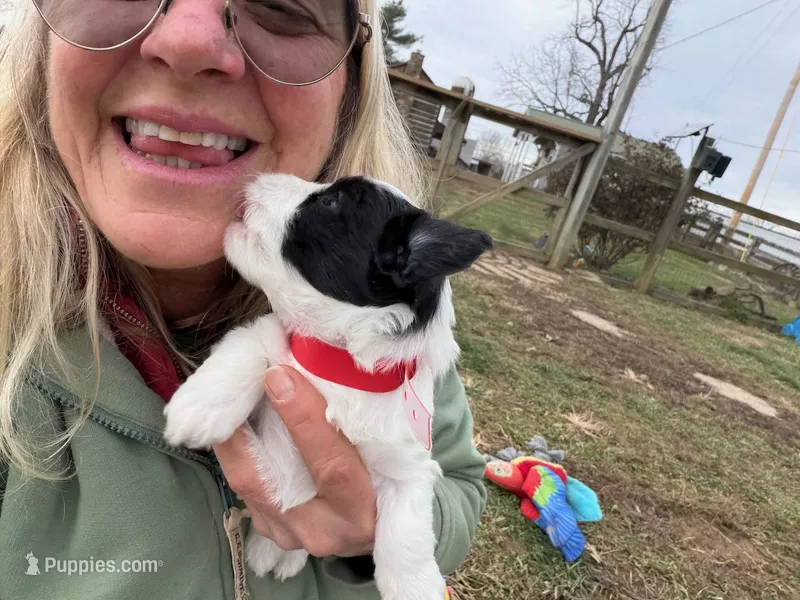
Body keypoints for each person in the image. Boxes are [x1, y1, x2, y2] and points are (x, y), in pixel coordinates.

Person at [0, 1, 486, 599]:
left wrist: (379, 538)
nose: (188, 43)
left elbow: (459, 484)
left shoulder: (400, 340)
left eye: (279, 3)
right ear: (37, 47)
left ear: (351, 90)